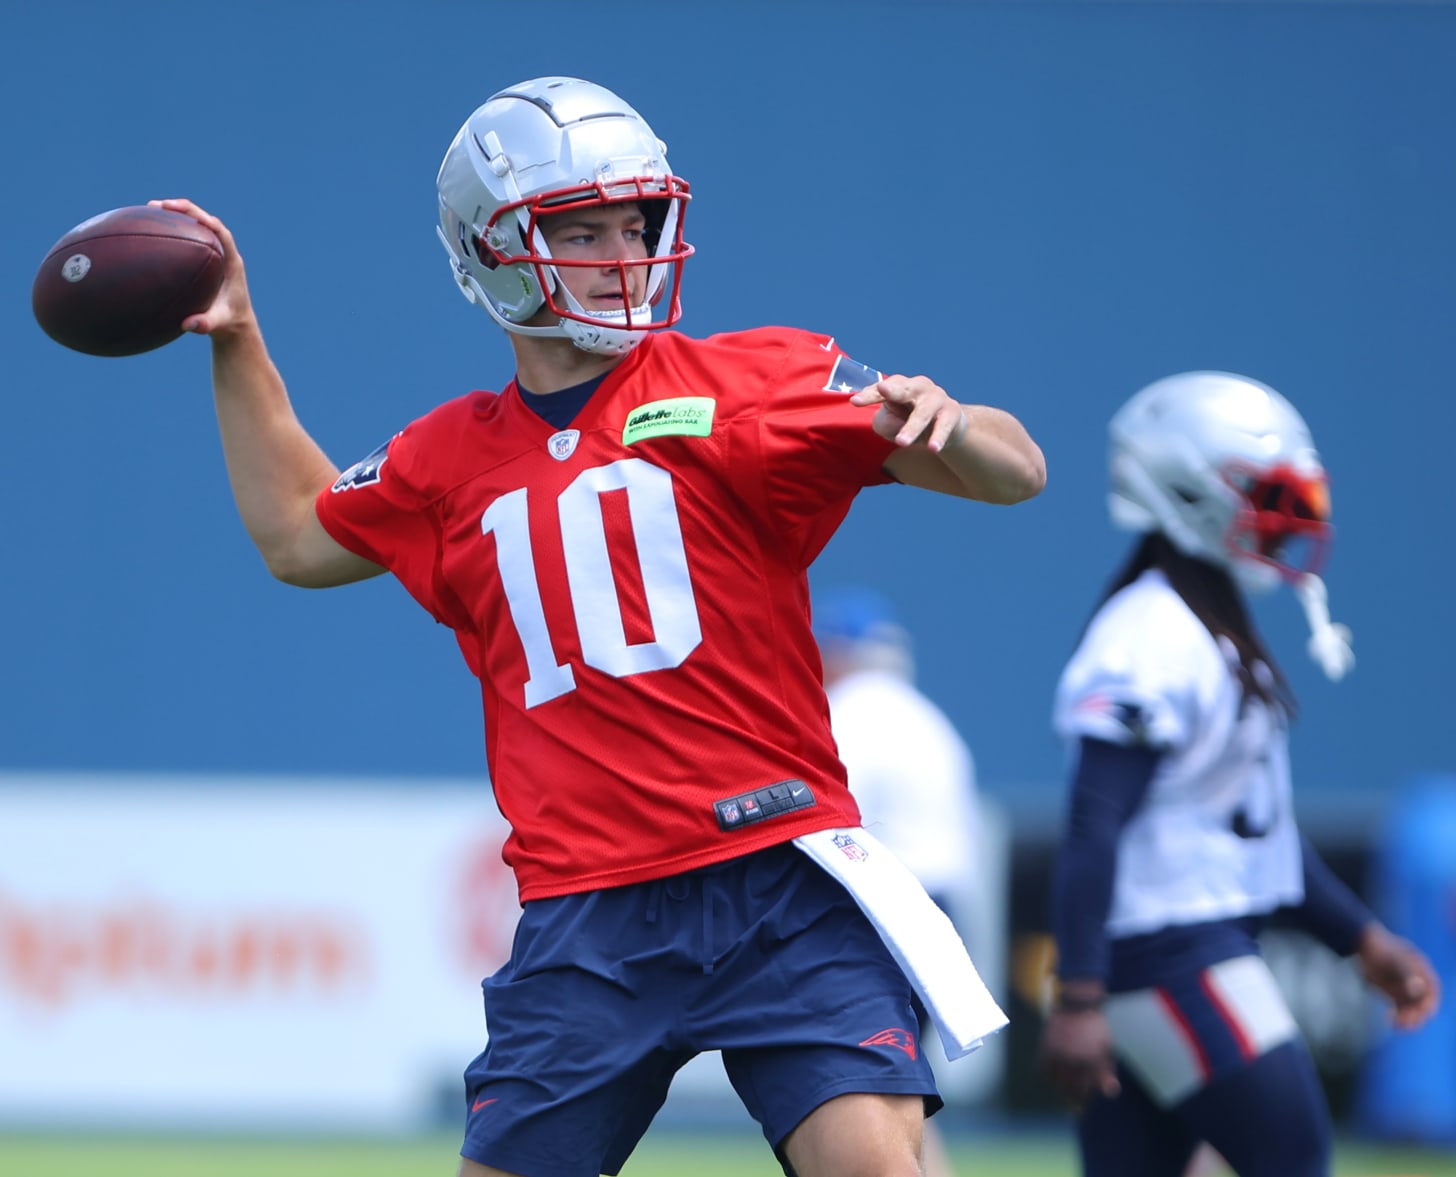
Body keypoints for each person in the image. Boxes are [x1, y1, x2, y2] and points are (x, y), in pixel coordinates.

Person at [150, 76, 1044, 1177]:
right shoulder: (446, 459)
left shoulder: (750, 380)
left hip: (780, 874)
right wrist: (236, 341)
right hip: (589, 914)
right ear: (493, 251)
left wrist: (958, 423)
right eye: (580, 229)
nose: (623, 249)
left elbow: (1016, 473)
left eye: (635, 221)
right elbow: (295, 532)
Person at [1038, 371, 1440, 1177]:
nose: (1282, 519)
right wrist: (1078, 993)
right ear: (1185, 486)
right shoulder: (1152, 630)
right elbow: (1093, 821)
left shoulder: (1204, 617)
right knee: (1292, 1158)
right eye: (1263, 493)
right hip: (1168, 955)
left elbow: (1256, 829)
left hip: (1167, 952)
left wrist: (1361, 940)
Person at [814, 585, 987, 1177]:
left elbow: (831, 819)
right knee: (900, 1095)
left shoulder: (853, 712)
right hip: (939, 916)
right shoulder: (926, 717)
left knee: (866, 1095)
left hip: (886, 916)